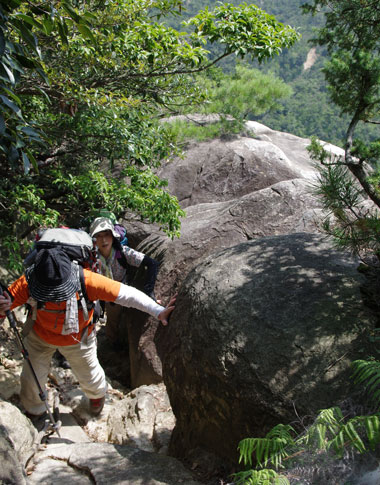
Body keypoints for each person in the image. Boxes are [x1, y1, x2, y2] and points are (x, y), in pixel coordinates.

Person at [0, 247, 175, 418]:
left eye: (58, 292)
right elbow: (5, 305)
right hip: (40, 337)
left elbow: (127, 295)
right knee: (31, 380)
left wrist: (158, 311)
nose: (53, 296)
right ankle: (35, 409)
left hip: (78, 337)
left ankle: (96, 398)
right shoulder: (28, 281)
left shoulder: (85, 279)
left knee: (90, 375)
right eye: (47, 293)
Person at [89, 217, 160, 345]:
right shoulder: (91, 258)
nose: (104, 240)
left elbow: (151, 263)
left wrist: (149, 292)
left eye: (106, 235)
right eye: (99, 236)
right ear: (94, 239)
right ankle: (112, 342)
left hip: (122, 290)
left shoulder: (122, 252)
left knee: (121, 318)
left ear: (112, 236)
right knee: (112, 320)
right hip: (102, 294)